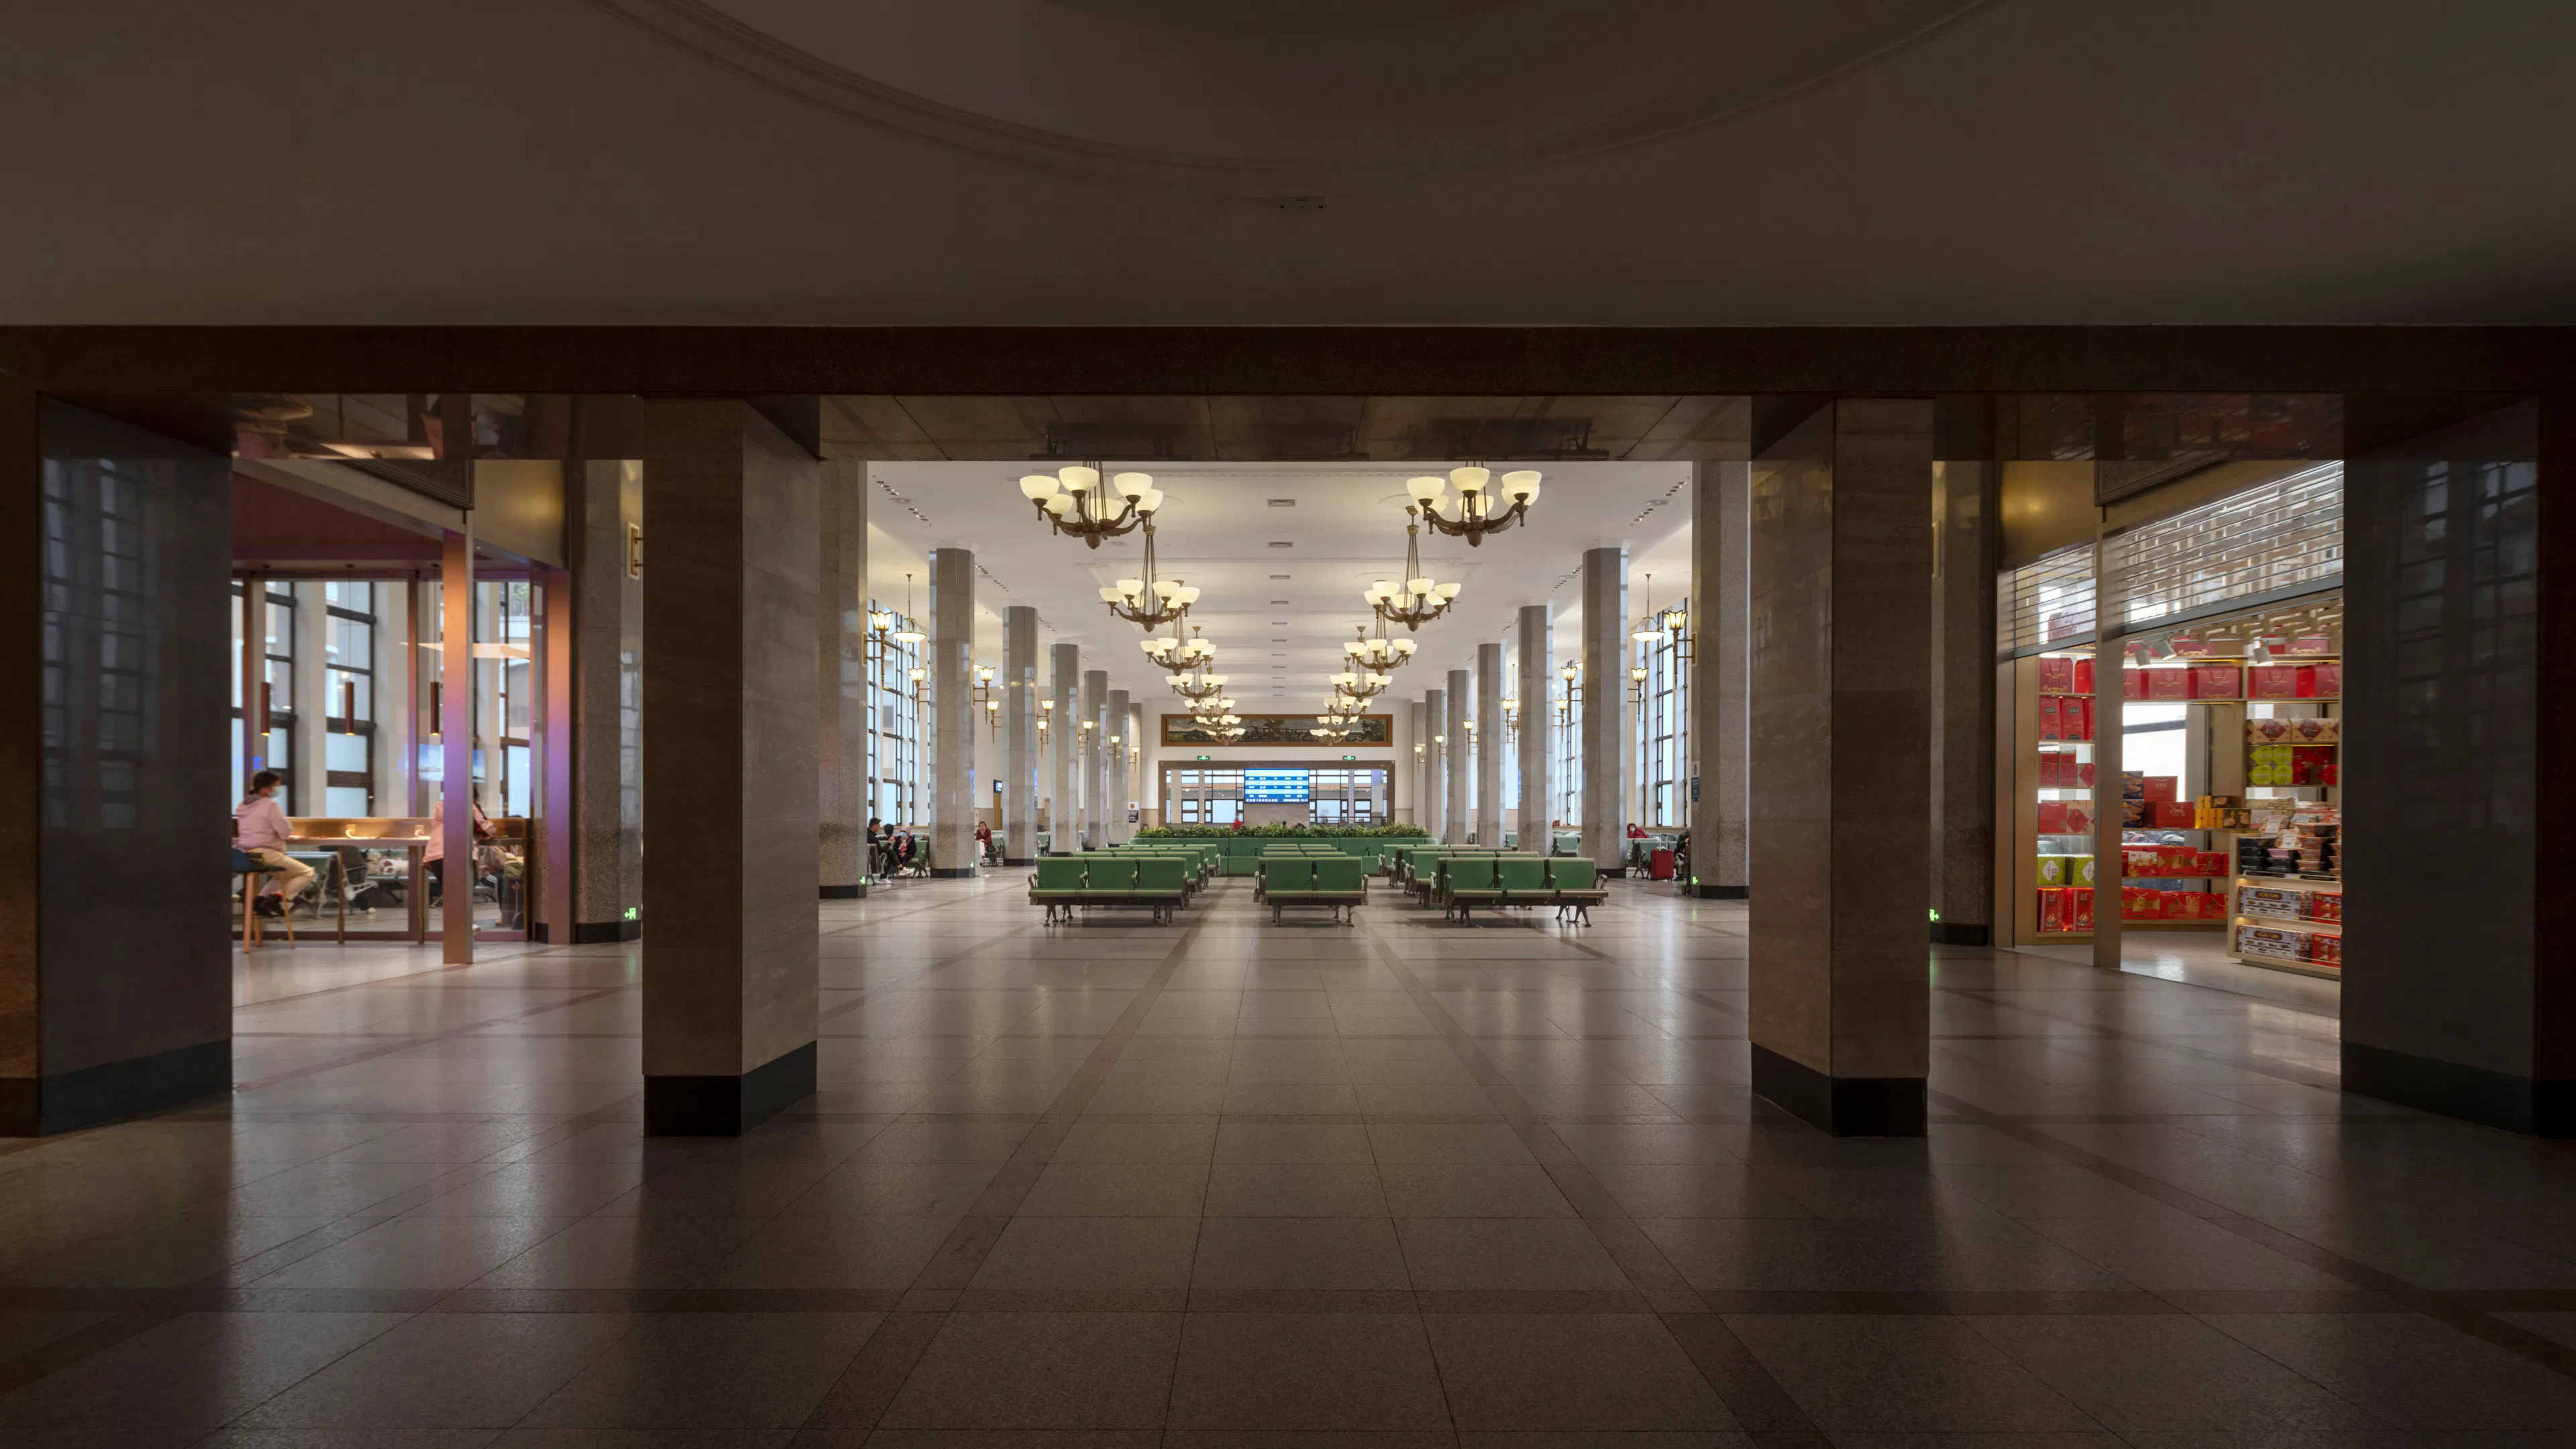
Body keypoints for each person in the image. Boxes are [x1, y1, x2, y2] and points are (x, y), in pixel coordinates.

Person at [234, 771, 314, 919]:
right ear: (266, 788)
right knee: (306, 873)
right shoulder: (270, 805)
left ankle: (259, 901)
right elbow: (284, 831)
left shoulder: (243, 805)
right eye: (276, 785)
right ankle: (277, 899)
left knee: (283, 874)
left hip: (246, 854)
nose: (279, 788)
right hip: (266, 852)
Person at [426, 787, 494, 905]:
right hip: (460, 854)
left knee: (451, 892)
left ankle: (455, 922)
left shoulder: (440, 807)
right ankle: (465, 923)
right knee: (464, 891)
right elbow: (487, 828)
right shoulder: (469, 806)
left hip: (437, 855)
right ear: (473, 797)